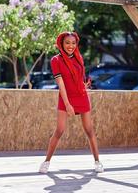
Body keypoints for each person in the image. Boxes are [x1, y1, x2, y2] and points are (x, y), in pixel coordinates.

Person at [39, 32, 104, 173]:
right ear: (62, 43)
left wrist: (84, 87)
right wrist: (68, 104)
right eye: (68, 42)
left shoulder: (79, 58)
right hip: (65, 98)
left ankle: (98, 162)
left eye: (73, 43)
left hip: (81, 96)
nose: (71, 46)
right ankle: (46, 162)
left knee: (89, 130)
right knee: (59, 130)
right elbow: (61, 83)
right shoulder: (56, 60)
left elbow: (80, 78)